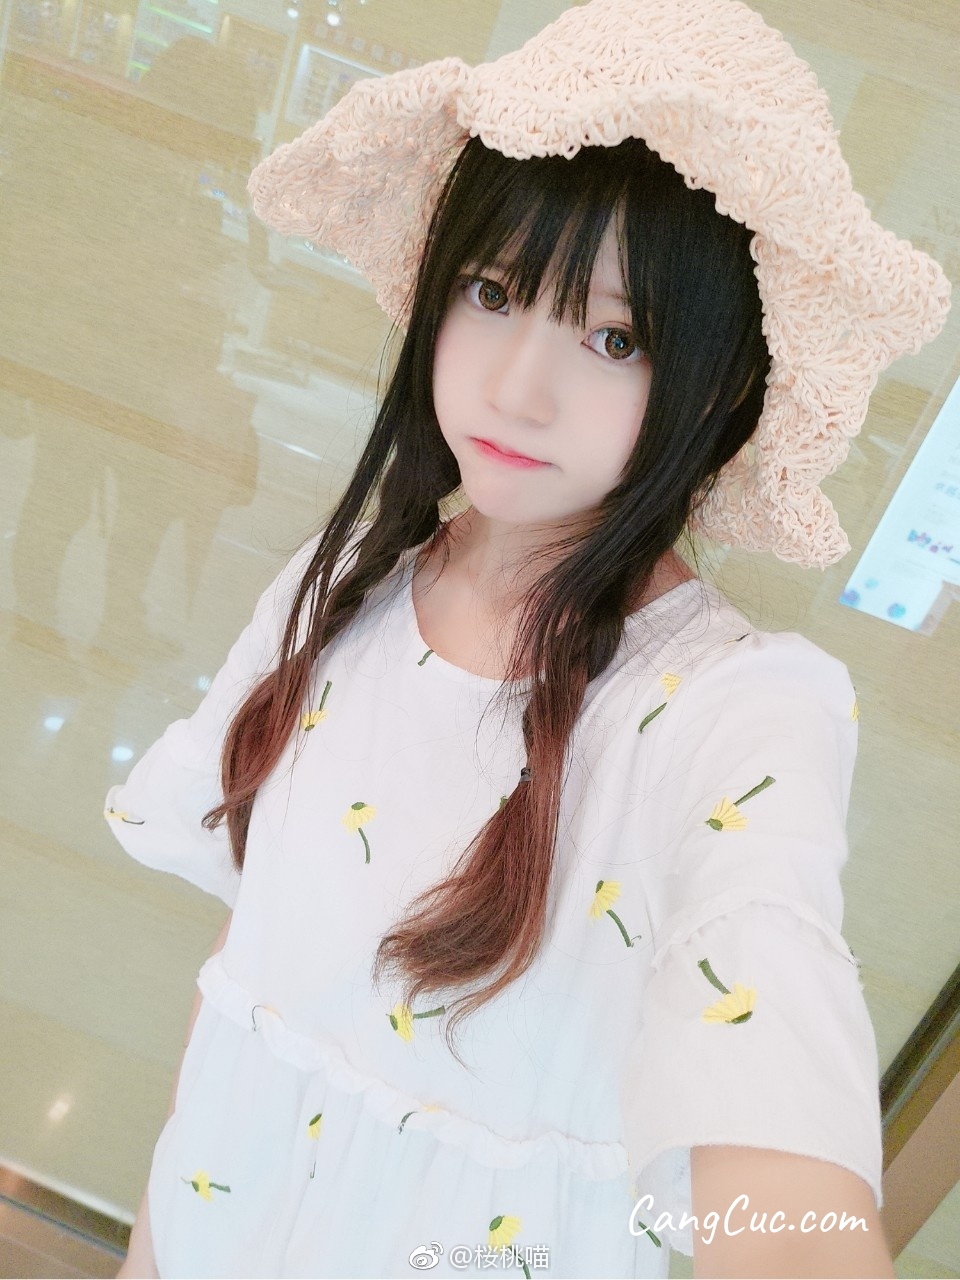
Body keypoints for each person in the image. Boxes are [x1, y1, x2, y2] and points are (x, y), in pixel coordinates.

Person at [105, 0, 950, 1276]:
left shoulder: (735, 711)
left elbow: (774, 1082)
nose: (516, 388)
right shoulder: (343, 585)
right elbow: (246, 991)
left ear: (722, 387)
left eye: (614, 337)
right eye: (493, 291)